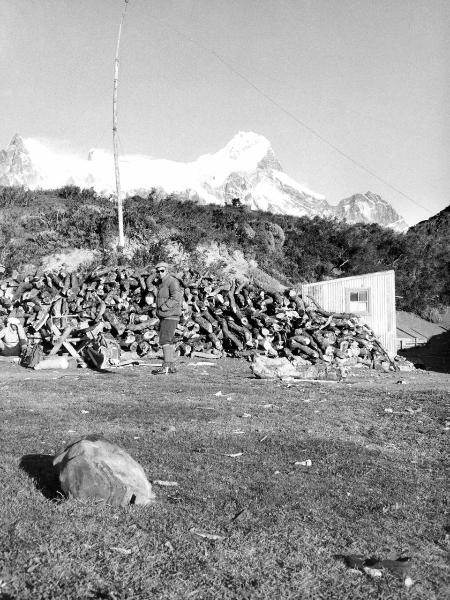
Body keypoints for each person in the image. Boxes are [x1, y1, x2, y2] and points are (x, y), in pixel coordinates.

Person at [153, 262, 183, 374]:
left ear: (167, 270)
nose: (159, 273)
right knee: (168, 340)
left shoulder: (172, 281)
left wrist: (164, 307)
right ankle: (170, 366)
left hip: (170, 315)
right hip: (166, 315)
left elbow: (176, 297)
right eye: (158, 271)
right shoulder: (162, 282)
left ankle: (166, 366)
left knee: (165, 340)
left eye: (162, 270)